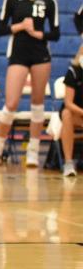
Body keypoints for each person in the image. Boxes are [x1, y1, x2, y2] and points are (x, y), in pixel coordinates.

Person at [0, 0, 60, 168]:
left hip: (41, 54)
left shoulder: (49, 1)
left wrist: (37, 33)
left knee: (37, 102)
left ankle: (33, 151)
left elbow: (56, 33)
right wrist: (20, 26)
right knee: (12, 102)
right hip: (18, 54)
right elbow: (0, 29)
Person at [59, 45, 83, 177]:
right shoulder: (74, 71)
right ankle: (68, 162)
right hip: (75, 112)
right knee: (66, 114)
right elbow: (68, 103)